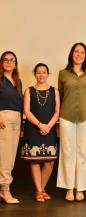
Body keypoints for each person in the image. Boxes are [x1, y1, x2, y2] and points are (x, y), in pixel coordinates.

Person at [57, 42, 86, 202]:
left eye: (82, 52)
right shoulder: (63, 74)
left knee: (83, 153)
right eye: (76, 52)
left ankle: (80, 189)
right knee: (67, 153)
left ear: (85, 56)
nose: (79, 54)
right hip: (66, 117)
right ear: (71, 54)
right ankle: (69, 188)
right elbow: (60, 95)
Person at [21, 63, 60, 202]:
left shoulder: (55, 91)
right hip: (33, 129)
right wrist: (39, 125)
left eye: (44, 72)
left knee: (49, 162)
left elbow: (57, 112)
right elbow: (26, 111)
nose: (41, 74)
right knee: (35, 161)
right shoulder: (29, 90)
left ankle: (41, 189)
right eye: (38, 72)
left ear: (48, 74)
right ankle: (39, 191)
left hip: (49, 129)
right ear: (35, 74)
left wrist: (48, 126)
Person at [0, 51, 22, 204]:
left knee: (11, 157)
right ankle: (4, 190)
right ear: (1, 63)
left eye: (11, 60)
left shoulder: (17, 81)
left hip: (17, 118)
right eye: (5, 60)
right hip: (4, 118)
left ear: (15, 63)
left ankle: (4, 188)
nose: (8, 62)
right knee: (5, 156)